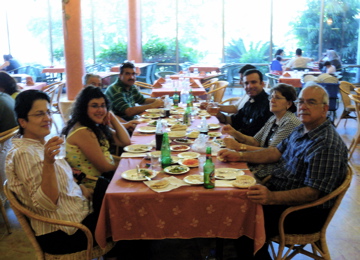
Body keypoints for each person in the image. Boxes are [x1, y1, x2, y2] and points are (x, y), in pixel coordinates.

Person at [218, 83, 348, 259]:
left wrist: (271, 198)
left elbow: (312, 193)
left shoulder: (326, 144)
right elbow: (274, 153)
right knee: (233, 200)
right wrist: (239, 156)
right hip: (280, 192)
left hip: (302, 213)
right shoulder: (301, 128)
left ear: (325, 109)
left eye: (311, 102)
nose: (303, 107)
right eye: (301, 101)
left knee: (244, 219)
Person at [6, 90, 120, 259]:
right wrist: (49, 164)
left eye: (48, 112)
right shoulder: (24, 154)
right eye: (39, 114)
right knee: (127, 219)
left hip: (79, 213)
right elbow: (47, 203)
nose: (47, 118)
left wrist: (79, 187)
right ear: (23, 121)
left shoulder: (40, 146)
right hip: (66, 232)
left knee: (118, 194)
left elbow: (63, 181)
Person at [222, 84, 301, 179]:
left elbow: (271, 153)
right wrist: (234, 133)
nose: (272, 100)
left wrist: (239, 147)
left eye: (277, 98)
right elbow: (255, 141)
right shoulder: (273, 118)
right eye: (271, 97)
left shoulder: (289, 121)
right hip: (260, 162)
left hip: (273, 170)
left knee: (229, 172)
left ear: (289, 104)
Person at [62, 86, 131, 185]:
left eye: (103, 106)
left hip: (106, 178)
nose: (100, 110)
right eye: (94, 106)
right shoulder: (83, 131)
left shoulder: (93, 126)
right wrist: (129, 168)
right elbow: (105, 168)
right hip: (95, 185)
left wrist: (112, 117)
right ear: (84, 108)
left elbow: (125, 141)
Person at [215, 69, 273, 137]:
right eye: (246, 83)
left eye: (253, 82)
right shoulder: (249, 102)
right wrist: (218, 115)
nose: (249, 86)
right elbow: (233, 121)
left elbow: (256, 138)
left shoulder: (269, 105)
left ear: (262, 84)